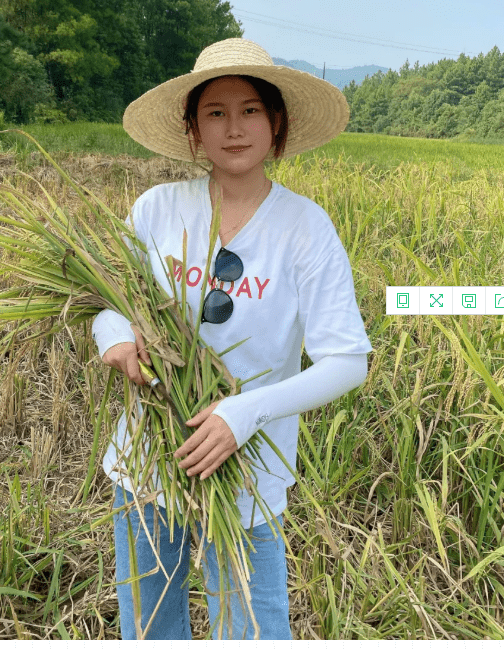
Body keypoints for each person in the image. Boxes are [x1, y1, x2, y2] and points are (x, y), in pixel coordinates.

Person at [91, 37, 373, 639]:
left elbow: (347, 360)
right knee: (149, 630)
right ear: (193, 131)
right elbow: (107, 300)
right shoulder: (156, 210)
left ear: (277, 124)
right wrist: (114, 338)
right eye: (214, 113)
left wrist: (245, 412)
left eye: (249, 110)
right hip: (147, 459)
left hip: (248, 474)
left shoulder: (305, 228)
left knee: (252, 631)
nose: (234, 127)